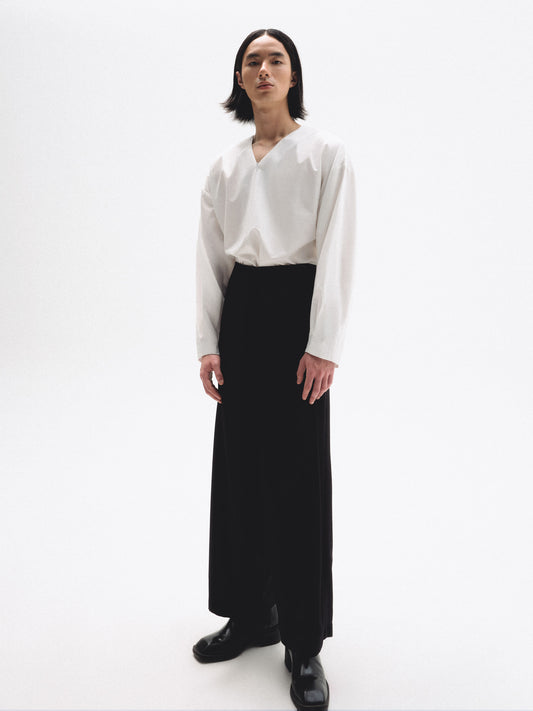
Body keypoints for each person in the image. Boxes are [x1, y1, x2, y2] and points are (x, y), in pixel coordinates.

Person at [193, 27, 356, 711]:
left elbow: (338, 249)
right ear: (240, 78)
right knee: (239, 473)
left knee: (296, 477)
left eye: (275, 59)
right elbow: (210, 256)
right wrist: (208, 342)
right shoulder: (226, 166)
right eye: (252, 60)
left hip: (296, 314)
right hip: (242, 313)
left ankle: (303, 641)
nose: (263, 68)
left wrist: (324, 343)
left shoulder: (325, 155)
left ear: (293, 76)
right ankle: (250, 613)